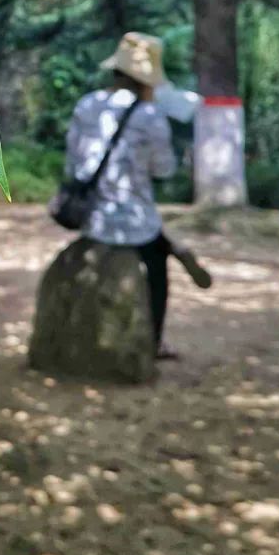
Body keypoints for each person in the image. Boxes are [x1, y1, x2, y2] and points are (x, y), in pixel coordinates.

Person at [64, 32, 179, 355]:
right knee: (157, 267)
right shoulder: (151, 116)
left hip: (91, 218)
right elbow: (164, 170)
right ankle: (154, 341)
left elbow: (73, 163)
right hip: (136, 225)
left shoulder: (87, 105)